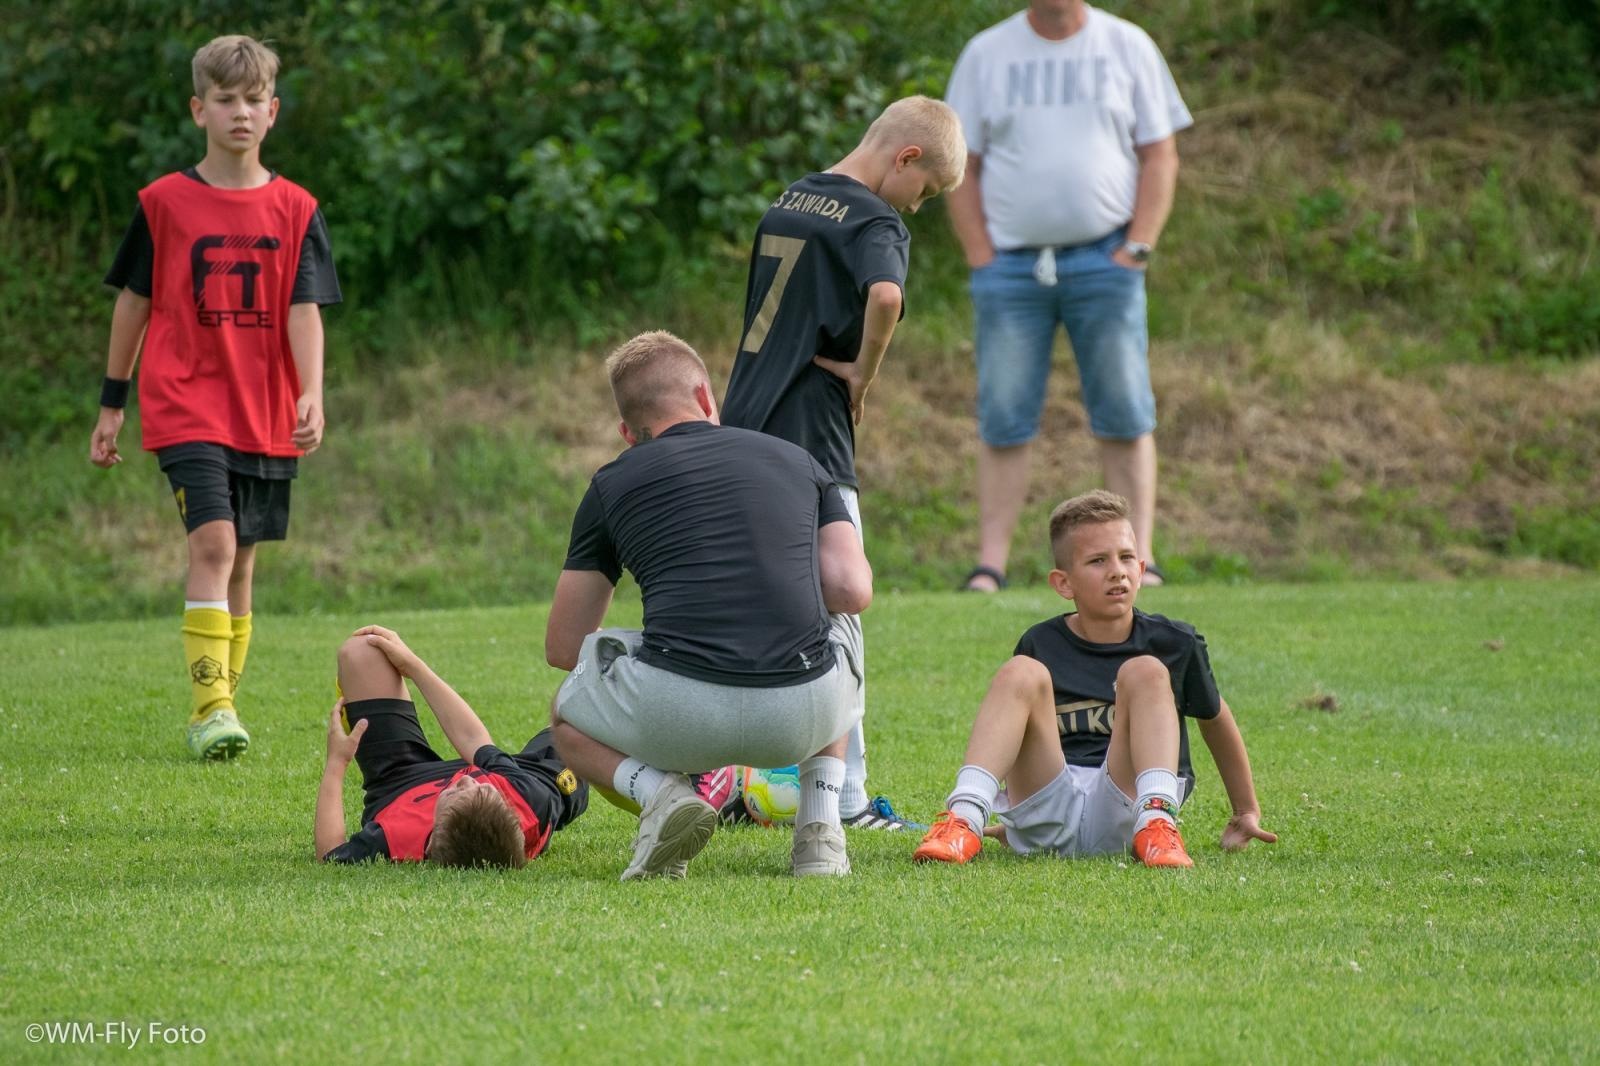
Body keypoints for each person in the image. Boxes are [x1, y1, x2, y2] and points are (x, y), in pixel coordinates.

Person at [88, 35, 341, 759]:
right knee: (214, 542)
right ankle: (211, 710)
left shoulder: (297, 209)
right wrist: (113, 403)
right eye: (225, 100)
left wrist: (312, 393)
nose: (240, 112)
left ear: (273, 112)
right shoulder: (163, 204)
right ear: (199, 109)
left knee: (245, 561)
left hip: (263, 411)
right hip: (184, 404)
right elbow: (133, 306)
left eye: (253, 99)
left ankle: (220, 703)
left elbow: (304, 310)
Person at [719, 95, 967, 829]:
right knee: (841, 603)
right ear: (906, 158)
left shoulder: (790, 197)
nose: (914, 212)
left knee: (761, 605)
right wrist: (865, 371)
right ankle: (846, 797)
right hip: (811, 434)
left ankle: (740, 781)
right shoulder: (873, 218)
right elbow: (885, 294)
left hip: (744, 421)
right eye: (922, 196)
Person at [547, 331, 873, 880]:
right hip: (802, 715)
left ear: (628, 433)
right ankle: (819, 830)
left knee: (564, 712)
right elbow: (850, 590)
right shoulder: (800, 460)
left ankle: (661, 797)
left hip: (676, 717)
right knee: (835, 622)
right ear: (705, 397)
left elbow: (563, 646)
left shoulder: (611, 482)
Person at [944, 1, 1191, 591]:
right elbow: (961, 163)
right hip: (1009, 268)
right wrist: (980, 254)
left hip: (1105, 261)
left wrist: (1138, 247)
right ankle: (991, 565)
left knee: (1125, 413)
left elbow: (1159, 154)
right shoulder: (986, 54)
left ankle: (1140, 559)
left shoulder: (1126, 45)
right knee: (1004, 416)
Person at [913, 490, 1275, 867]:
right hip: (1047, 809)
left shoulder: (1175, 643)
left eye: (1126, 558)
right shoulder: (1041, 642)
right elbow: (1017, 737)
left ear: (1141, 568)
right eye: (1098, 561)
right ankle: (964, 820)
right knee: (1020, 671)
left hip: (1129, 808)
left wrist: (1245, 809)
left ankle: (1157, 824)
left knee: (1146, 670)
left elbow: (1214, 718)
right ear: (1063, 584)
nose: (1117, 570)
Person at [316, 626, 588, 866]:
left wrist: (336, 762)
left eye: (458, 791)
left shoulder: (395, 837)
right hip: (530, 776)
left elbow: (331, 854)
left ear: (432, 840)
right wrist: (412, 665)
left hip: (399, 782)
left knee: (362, 650)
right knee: (583, 731)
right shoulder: (525, 798)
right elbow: (473, 740)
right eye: (480, 786)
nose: (465, 779)